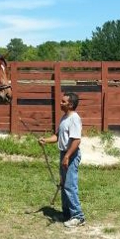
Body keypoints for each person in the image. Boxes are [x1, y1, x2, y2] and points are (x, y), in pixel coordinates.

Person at [39, 92, 85, 228]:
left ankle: (78, 216)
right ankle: (67, 214)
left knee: (70, 186)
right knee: (64, 185)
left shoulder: (74, 119)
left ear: (70, 104)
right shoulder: (64, 118)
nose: (60, 103)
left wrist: (67, 156)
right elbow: (57, 136)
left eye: (63, 102)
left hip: (71, 155)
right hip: (64, 154)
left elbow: (76, 140)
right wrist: (45, 140)